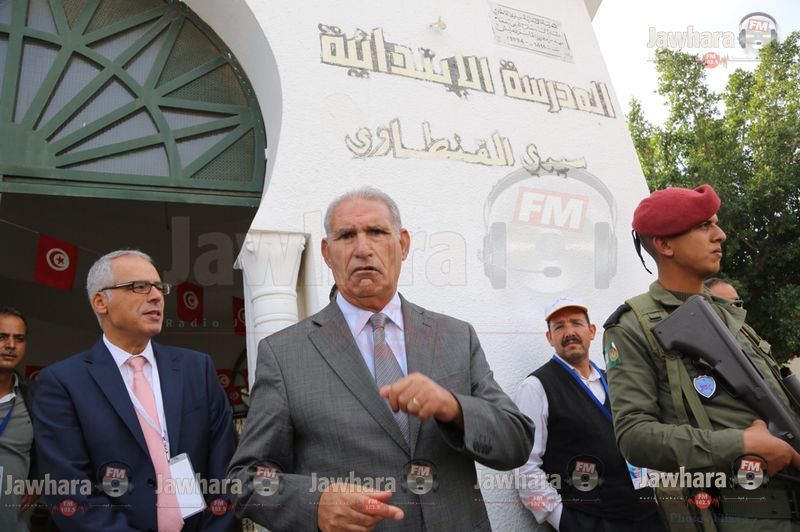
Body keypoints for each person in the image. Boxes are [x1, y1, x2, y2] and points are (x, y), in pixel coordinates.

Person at [227, 187, 534, 531]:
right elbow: (244, 480)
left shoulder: (455, 337)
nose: (362, 248)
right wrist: (316, 504)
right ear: (327, 252)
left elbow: (517, 442)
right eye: (346, 236)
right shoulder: (284, 354)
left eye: (376, 232)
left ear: (402, 244)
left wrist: (454, 408)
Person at [604, 184, 800, 530]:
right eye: (703, 226)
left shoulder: (728, 312)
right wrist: (739, 445)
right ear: (665, 245)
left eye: (716, 224)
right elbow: (635, 435)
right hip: (750, 515)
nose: (720, 235)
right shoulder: (633, 326)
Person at [32, 250, 235, 531]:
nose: (156, 296)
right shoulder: (62, 383)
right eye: (139, 287)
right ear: (100, 302)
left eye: (159, 287)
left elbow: (225, 468)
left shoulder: (196, 369)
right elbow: (70, 491)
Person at [514, 296, 663, 531]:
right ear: (549, 337)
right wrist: (561, 519)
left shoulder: (614, 380)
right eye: (559, 327)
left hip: (646, 515)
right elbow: (525, 467)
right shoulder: (535, 387)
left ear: (592, 331)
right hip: (589, 520)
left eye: (576, 323)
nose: (569, 332)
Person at [0, 306, 36, 531]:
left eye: (19, 338)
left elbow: (55, 448)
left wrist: (38, 481)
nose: (11, 345)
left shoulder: (36, 399)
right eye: (2, 337)